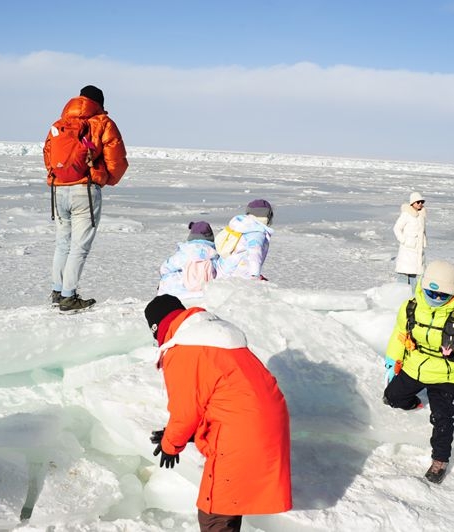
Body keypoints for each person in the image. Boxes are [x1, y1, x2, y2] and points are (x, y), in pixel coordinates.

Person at [144, 294, 292, 532]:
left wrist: (171, 444)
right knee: (229, 505)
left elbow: (185, 412)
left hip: (240, 434)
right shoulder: (216, 340)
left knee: (214, 515)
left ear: (156, 329)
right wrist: (190, 434)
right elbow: (224, 395)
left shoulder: (184, 350)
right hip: (263, 426)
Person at [383, 260, 454, 484]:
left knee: (442, 418)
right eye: (431, 293)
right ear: (423, 286)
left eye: (442, 295)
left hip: (445, 375)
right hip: (414, 365)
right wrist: (392, 360)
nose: (436, 299)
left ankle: (440, 460)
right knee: (392, 397)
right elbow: (400, 333)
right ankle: (414, 403)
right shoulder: (411, 307)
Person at [44, 85, 128, 312]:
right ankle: (68, 297)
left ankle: (57, 290)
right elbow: (116, 159)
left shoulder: (59, 124)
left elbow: (48, 156)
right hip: (85, 191)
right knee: (78, 247)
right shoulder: (102, 122)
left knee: (62, 244)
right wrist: (104, 178)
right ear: (99, 102)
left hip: (58, 190)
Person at [215, 199, 274, 280]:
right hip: (237, 276)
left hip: (224, 270)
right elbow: (255, 252)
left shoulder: (241, 226)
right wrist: (255, 275)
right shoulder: (256, 232)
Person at [157, 221, 218, 298]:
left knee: (168, 278)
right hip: (204, 293)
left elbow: (165, 268)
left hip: (178, 293)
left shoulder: (186, 252)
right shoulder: (214, 254)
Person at [393, 191, 427, 292]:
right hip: (408, 249)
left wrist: (423, 243)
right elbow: (396, 228)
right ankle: (401, 296)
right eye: (418, 202)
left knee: (414, 273)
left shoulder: (421, 215)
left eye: (421, 202)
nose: (420, 204)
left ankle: (413, 296)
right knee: (403, 273)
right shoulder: (406, 215)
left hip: (418, 249)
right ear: (412, 203)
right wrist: (404, 241)